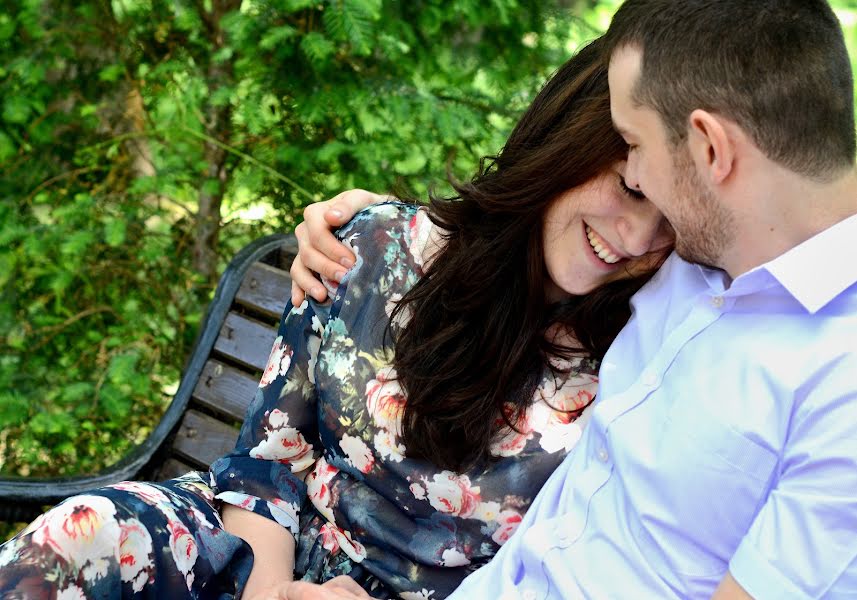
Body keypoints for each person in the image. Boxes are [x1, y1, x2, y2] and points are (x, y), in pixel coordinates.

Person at [0, 37, 674, 599]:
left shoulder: (634, 362)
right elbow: (266, 466)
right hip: (254, 557)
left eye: (669, 221)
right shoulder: (369, 247)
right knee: (83, 535)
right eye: (629, 187)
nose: (637, 239)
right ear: (561, 142)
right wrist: (274, 595)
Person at [294, 1, 857, 598]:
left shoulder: (835, 386)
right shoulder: (706, 257)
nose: (636, 178)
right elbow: (529, 238)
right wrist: (374, 229)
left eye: (634, 145)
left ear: (710, 151)